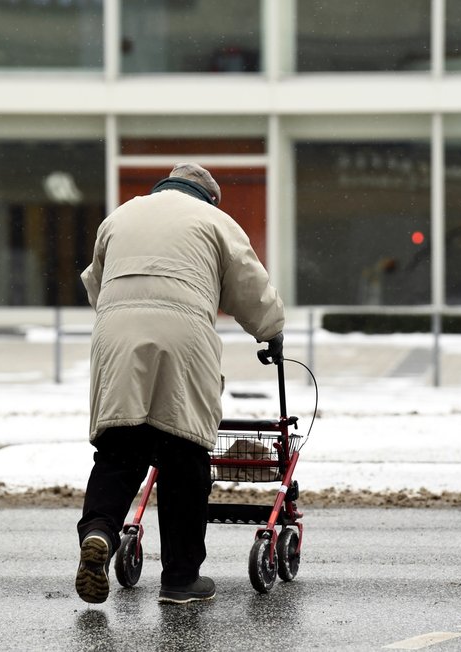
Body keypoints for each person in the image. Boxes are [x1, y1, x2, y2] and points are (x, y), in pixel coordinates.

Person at [75, 163, 285, 605]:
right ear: (207, 197)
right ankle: (180, 579)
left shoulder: (121, 216)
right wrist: (271, 331)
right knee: (183, 457)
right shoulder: (214, 221)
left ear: (162, 188)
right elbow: (249, 286)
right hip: (183, 337)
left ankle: (98, 533)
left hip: (117, 338)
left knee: (119, 451)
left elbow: (95, 284)